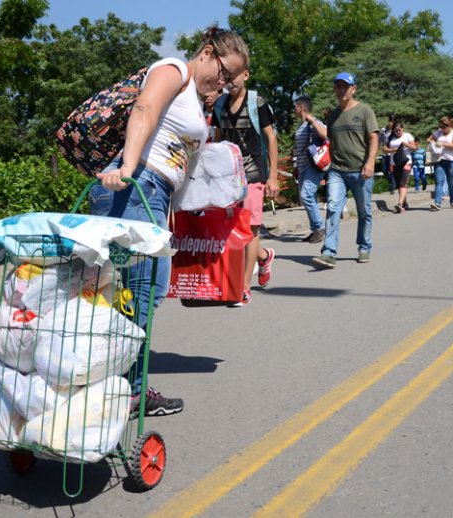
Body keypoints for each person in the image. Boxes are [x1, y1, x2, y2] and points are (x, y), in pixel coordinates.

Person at [89, 27, 249, 417]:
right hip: (135, 184)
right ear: (208, 53)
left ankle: (120, 385)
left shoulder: (197, 99)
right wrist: (127, 166)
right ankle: (127, 389)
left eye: (231, 81)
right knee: (139, 290)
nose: (225, 85)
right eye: (224, 74)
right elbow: (144, 109)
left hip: (152, 196)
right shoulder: (174, 69)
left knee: (134, 291)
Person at [212, 67, 279, 306]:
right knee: (231, 230)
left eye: (234, 75)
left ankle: (244, 287)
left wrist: (272, 177)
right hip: (229, 178)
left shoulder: (257, 102)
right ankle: (264, 255)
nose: (230, 80)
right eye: (226, 76)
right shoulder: (219, 105)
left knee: (250, 230)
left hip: (253, 175)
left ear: (246, 75)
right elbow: (218, 139)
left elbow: (271, 137)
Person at [312, 72, 379, 269]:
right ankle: (329, 252)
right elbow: (330, 138)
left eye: (345, 86)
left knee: (364, 211)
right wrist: (311, 120)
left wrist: (370, 162)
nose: (341, 90)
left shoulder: (365, 110)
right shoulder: (333, 115)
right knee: (332, 207)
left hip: (361, 170)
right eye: (338, 86)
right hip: (337, 170)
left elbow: (374, 138)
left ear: (353, 89)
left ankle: (364, 246)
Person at [293, 95, 328, 243]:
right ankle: (315, 230)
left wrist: (312, 120)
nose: (294, 109)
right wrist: (295, 167)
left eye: (295, 106)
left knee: (307, 195)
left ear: (301, 107)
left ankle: (319, 229)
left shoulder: (313, 122)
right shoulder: (301, 127)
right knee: (309, 197)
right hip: (302, 168)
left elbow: (326, 135)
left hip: (313, 167)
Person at [427, 116, 453, 211]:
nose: (442, 129)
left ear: (449, 125)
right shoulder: (438, 132)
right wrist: (433, 142)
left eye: (443, 127)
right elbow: (428, 140)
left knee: (451, 183)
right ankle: (437, 203)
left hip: (452, 161)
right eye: (440, 127)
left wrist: (442, 144)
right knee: (439, 182)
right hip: (439, 160)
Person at [383, 121, 416, 213]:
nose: (398, 132)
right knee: (399, 184)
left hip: (406, 161)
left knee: (403, 183)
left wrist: (406, 144)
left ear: (403, 129)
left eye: (399, 130)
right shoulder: (390, 138)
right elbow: (384, 149)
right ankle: (405, 203)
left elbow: (414, 147)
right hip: (394, 163)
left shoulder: (407, 136)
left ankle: (399, 204)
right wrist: (393, 149)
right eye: (396, 131)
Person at [378, 116, 396, 194]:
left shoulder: (396, 130)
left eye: (392, 121)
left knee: (391, 170)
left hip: (393, 154)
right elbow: (379, 141)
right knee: (384, 170)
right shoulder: (383, 130)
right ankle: (392, 183)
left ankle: (392, 186)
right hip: (385, 153)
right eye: (389, 121)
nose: (390, 123)